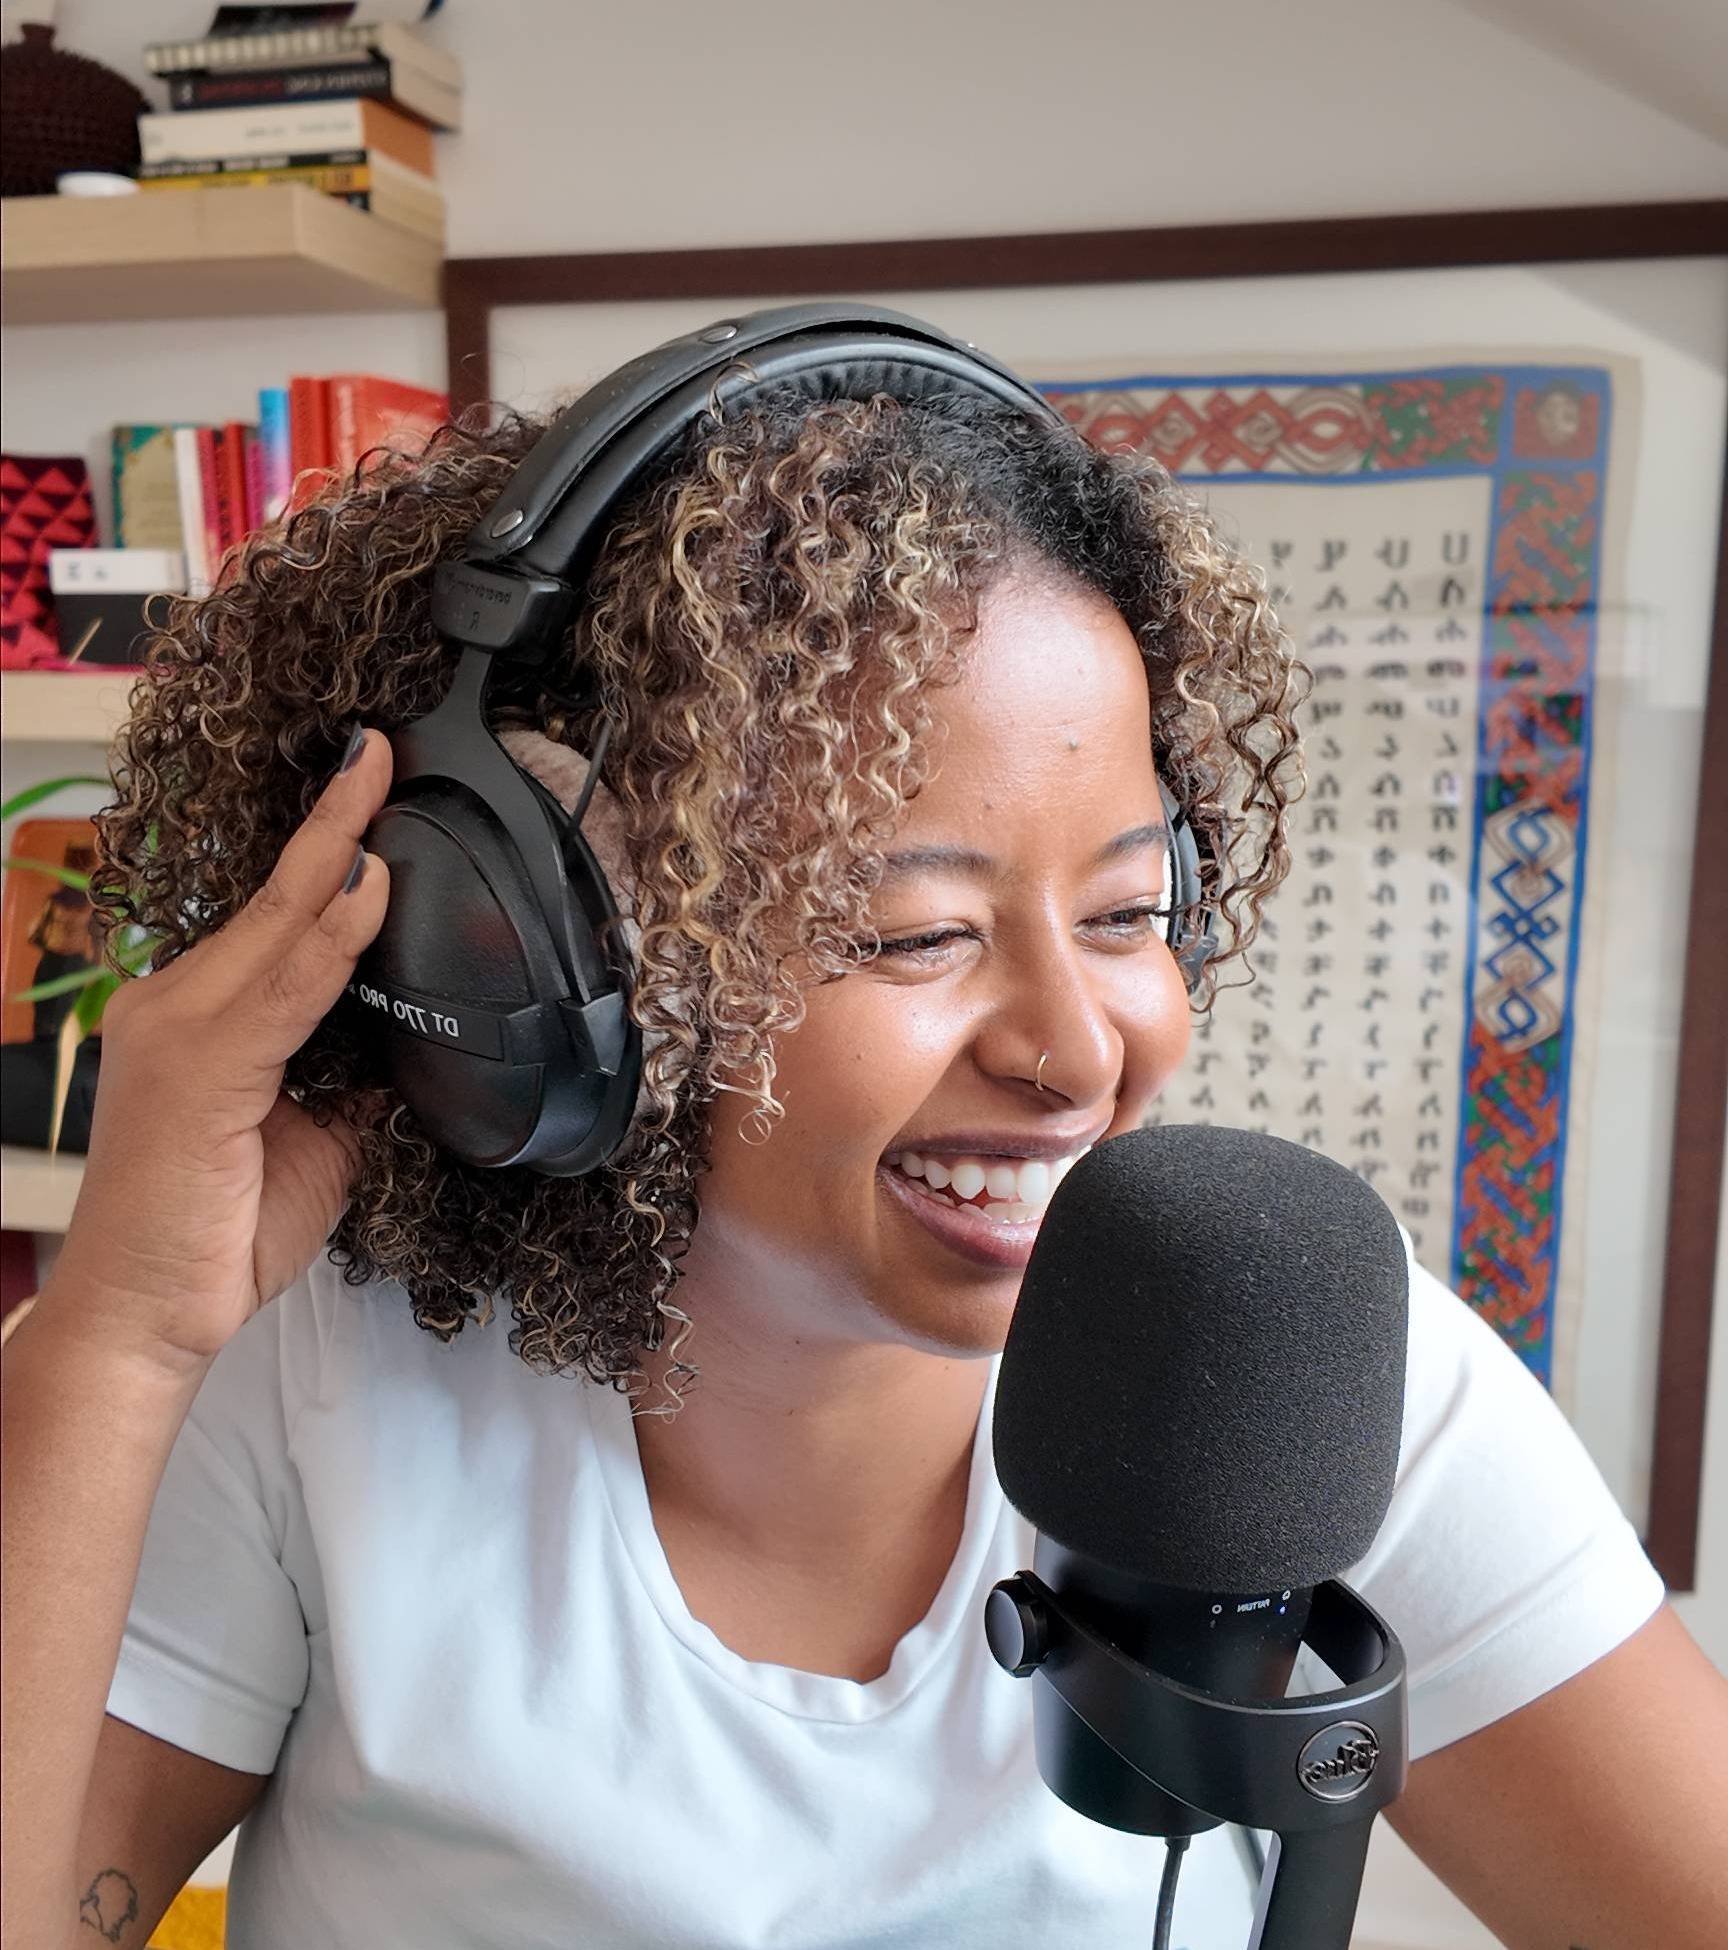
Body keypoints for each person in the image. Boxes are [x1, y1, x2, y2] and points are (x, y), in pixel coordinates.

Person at [3, 363, 1725, 1950]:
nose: (1075, 1049)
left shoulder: (1288, 1362)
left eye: (1129, 910)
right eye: (914, 936)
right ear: (550, 965)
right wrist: (120, 1334)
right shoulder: (305, 1363)